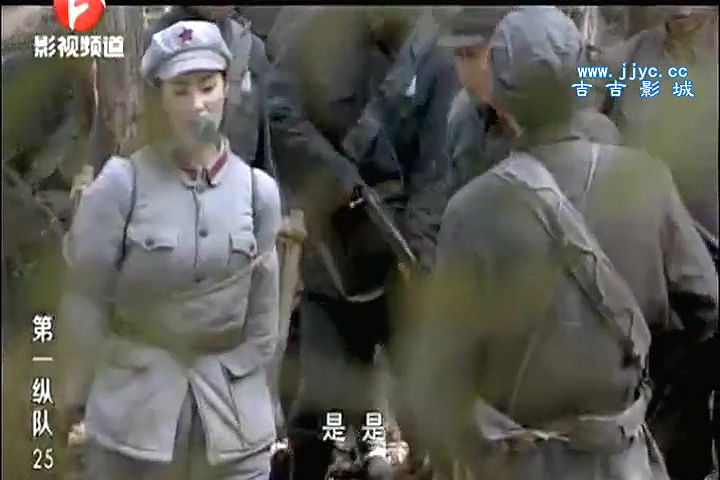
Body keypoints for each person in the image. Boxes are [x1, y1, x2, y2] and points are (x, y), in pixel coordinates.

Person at [404, 7, 718, 480]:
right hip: (616, 448)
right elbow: (706, 308)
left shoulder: (467, 211)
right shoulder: (636, 74)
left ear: (500, 93)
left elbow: (442, 370)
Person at [58, 20, 282, 480]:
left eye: (207, 86)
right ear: (159, 98)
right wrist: (81, 393)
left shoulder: (257, 192)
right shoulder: (121, 185)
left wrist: (247, 381)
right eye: (180, 90)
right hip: (133, 423)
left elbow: (264, 315)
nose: (197, 104)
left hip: (233, 426)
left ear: (226, 90)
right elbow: (84, 299)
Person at [266, 7, 457, 480]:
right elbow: (281, 112)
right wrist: (340, 183)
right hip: (335, 250)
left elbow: (436, 165)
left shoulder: (433, 51)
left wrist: (419, 253)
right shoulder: (314, 32)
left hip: (402, 251)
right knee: (317, 405)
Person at [440, 6, 621, 195]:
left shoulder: (588, 127)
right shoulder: (465, 119)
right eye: (458, 55)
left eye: (473, 55)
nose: (466, 72)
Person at [144, 6, 271, 172]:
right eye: (181, 91)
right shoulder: (150, 46)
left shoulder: (250, 48)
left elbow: (263, 144)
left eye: (207, 87)